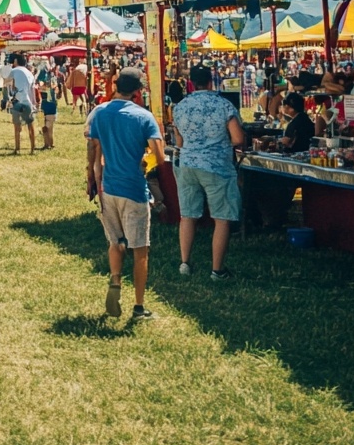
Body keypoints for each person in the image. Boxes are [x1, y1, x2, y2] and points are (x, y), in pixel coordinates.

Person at [87, 68, 165, 320]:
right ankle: (139, 307)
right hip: (133, 188)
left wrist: (91, 174)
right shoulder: (144, 117)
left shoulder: (101, 112)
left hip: (109, 187)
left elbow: (95, 145)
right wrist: (146, 162)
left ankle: (115, 280)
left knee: (115, 242)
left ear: (115, 85)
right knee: (140, 248)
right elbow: (160, 156)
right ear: (138, 91)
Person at [171, 64, 243, 280]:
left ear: (191, 82)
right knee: (221, 218)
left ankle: (185, 263)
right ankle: (217, 270)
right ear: (211, 81)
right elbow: (238, 139)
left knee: (188, 215)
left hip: (187, 163)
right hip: (216, 165)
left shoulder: (180, 107)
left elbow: (180, 140)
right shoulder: (224, 105)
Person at [8, 53, 38, 154]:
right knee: (30, 124)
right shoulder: (30, 73)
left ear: (16, 61)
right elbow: (32, 90)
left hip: (17, 101)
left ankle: (17, 149)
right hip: (28, 101)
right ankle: (32, 148)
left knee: (17, 126)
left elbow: (8, 83)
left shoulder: (14, 71)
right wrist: (34, 103)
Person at [39, 75, 58, 150]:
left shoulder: (52, 89)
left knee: (48, 128)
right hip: (43, 110)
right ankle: (47, 144)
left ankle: (50, 144)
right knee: (45, 128)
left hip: (50, 111)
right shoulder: (43, 89)